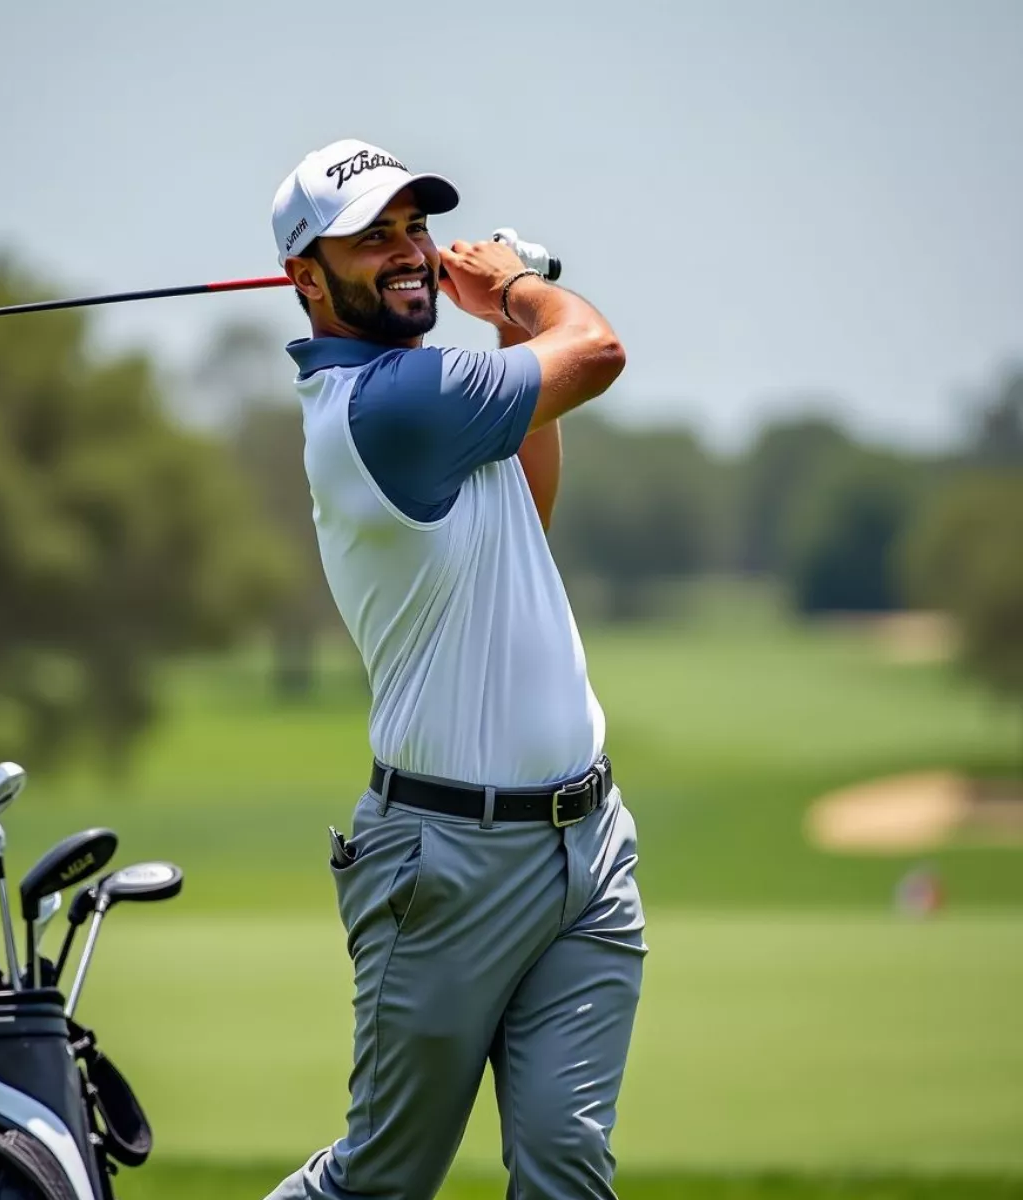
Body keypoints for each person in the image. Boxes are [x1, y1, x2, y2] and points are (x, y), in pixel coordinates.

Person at [263, 138, 648, 1200]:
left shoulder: (429, 392)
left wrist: (492, 317)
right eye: (371, 238)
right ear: (306, 278)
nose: (408, 252)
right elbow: (599, 352)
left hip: (588, 850)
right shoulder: (388, 407)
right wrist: (518, 289)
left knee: (567, 1167)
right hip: (444, 866)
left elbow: (533, 493)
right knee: (381, 1182)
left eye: (415, 229)